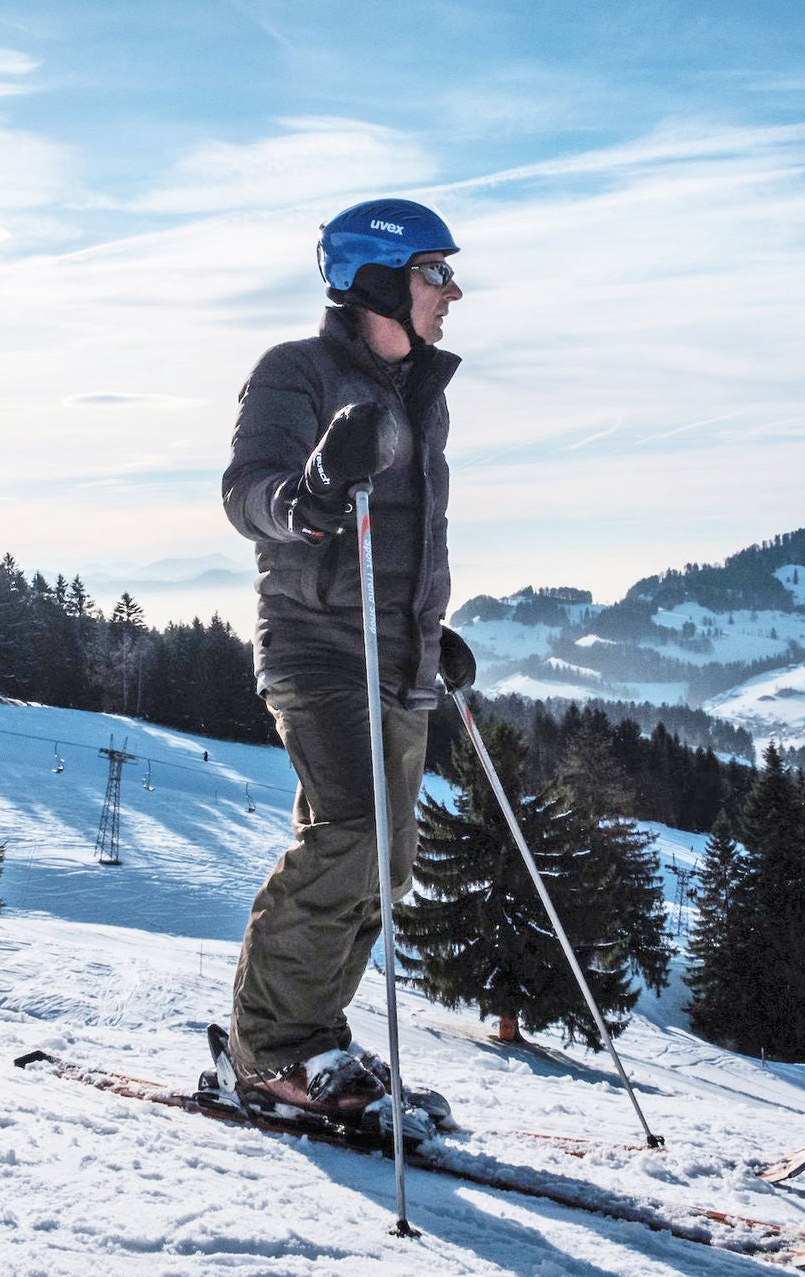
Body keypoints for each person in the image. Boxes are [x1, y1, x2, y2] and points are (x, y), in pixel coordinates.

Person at [216, 197, 478, 1122]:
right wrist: (314, 491)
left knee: (387, 862)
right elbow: (251, 494)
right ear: (378, 279)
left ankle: (314, 1036)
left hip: (395, 654)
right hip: (318, 646)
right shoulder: (295, 372)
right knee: (352, 831)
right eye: (434, 272)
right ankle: (269, 1052)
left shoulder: (420, 395)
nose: (452, 291)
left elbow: (408, 534)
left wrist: (426, 630)